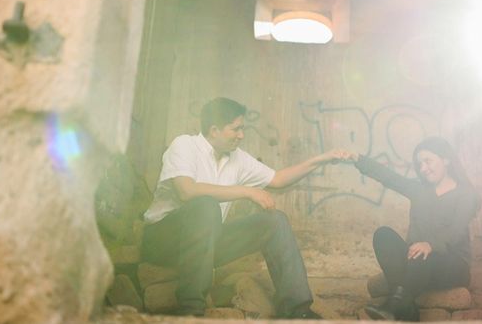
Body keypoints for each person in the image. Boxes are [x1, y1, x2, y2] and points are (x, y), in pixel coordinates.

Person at [141, 97, 347, 319]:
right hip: (163, 242)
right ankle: (191, 311)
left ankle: (298, 311)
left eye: (242, 129)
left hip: (207, 244)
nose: (241, 135)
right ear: (214, 130)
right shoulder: (184, 145)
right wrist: (247, 191)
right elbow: (187, 191)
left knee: (275, 221)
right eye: (236, 129)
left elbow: (278, 179)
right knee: (206, 205)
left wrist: (323, 159)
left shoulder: (237, 158)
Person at [345, 137, 481, 321]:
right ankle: (406, 306)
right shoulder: (419, 190)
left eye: (428, 161)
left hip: (451, 265)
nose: (423, 168)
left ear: (446, 160)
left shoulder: (466, 194)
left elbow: (456, 231)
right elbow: (390, 178)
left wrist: (430, 245)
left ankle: (395, 305)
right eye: (420, 164)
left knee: (421, 254)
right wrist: (357, 159)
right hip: (418, 262)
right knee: (383, 235)